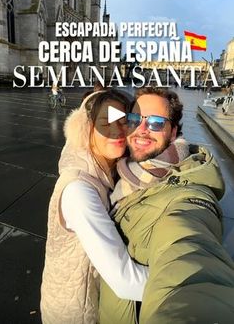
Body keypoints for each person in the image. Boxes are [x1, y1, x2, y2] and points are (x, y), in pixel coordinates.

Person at [99, 87, 234, 324]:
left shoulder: (187, 199)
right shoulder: (127, 169)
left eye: (156, 123)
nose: (141, 130)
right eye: (134, 119)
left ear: (173, 133)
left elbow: (189, 253)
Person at [40, 89, 148, 324]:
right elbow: (126, 281)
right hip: (75, 314)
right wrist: (194, 288)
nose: (117, 130)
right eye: (105, 122)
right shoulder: (79, 191)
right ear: (87, 128)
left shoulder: (105, 170)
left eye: (124, 121)